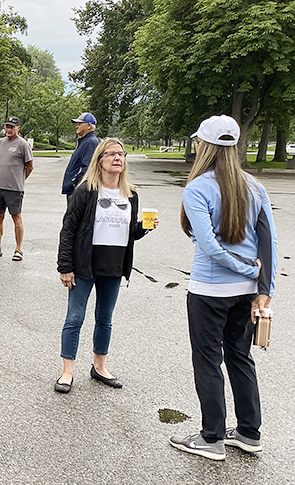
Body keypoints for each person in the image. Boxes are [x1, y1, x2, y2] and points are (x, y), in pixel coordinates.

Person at [169, 115, 277, 461]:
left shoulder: (198, 188)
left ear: (205, 146)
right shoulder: (255, 186)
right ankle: (248, 431)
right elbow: (268, 242)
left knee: (207, 359)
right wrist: (263, 285)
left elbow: (211, 246)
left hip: (210, 290)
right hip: (246, 291)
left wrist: (246, 268)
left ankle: (211, 437)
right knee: (240, 357)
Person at [55, 138, 155, 394]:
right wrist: (65, 266)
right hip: (84, 264)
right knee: (75, 317)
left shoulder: (130, 194)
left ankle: (99, 367)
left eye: (121, 154)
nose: (118, 158)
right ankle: (67, 372)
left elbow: (128, 232)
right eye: (111, 154)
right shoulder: (86, 191)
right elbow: (68, 230)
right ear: (100, 160)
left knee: (105, 319)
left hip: (114, 265)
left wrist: (143, 228)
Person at [0, 116, 33, 261]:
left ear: (18, 128)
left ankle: (18, 249)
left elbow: (29, 166)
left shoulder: (23, 145)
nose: (9, 129)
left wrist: (20, 179)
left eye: (12, 127)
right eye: (7, 126)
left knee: (16, 217)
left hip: (15, 189)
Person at [61, 112, 100, 199]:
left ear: (89, 126)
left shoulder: (90, 142)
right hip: (75, 190)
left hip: (78, 191)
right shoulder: (85, 141)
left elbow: (88, 168)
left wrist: (74, 183)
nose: (76, 126)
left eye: (79, 124)